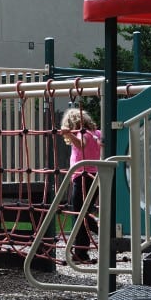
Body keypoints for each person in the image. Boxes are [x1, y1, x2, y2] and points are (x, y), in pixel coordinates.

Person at [60, 108, 101, 262]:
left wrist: (68, 133)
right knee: (83, 213)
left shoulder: (82, 133)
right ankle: (81, 252)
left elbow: (82, 145)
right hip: (95, 176)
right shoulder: (97, 133)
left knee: (80, 214)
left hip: (82, 177)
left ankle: (102, 233)